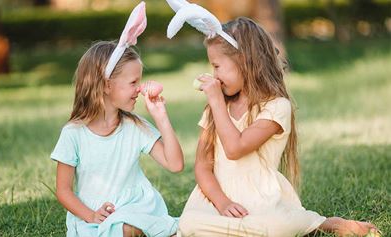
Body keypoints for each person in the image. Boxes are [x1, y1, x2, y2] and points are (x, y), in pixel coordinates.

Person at [175, 17, 379, 237]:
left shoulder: (277, 107)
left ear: (245, 61)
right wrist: (223, 203)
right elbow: (202, 167)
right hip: (217, 198)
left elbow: (235, 148)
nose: (213, 75)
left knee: (274, 227)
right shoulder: (214, 111)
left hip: (260, 201)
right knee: (189, 224)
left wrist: (215, 102)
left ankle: (322, 223)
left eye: (217, 66)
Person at [51, 2, 183, 236]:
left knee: (129, 226)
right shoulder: (73, 133)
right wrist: (91, 215)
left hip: (136, 207)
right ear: (105, 85)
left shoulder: (135, 126)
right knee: (119, 229)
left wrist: (161, 117)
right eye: (133, 82)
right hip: (93, 213)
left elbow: (175, 165)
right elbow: (63, 190)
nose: (139, 88)